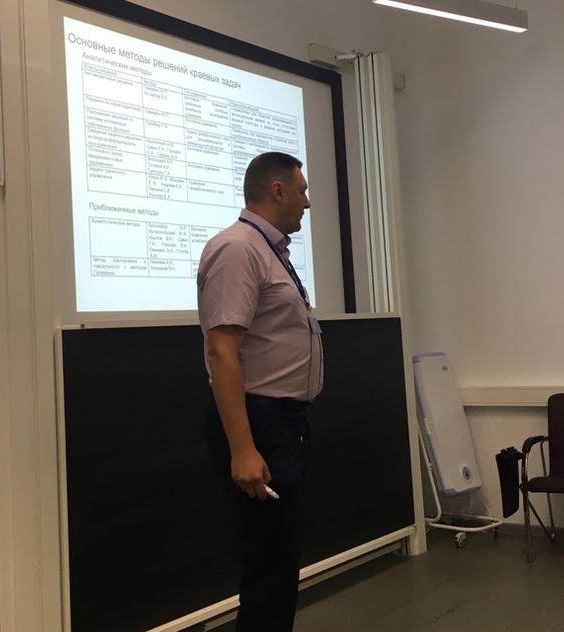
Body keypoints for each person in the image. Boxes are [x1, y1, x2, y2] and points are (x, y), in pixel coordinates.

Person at [197, 152, 324, 632]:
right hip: (260, 425)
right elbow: (222, 353)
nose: (307, 203)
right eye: (302, 191)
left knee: (280, 559)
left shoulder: (269, 250)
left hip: (283, 424)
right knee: (268, 566)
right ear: (277, 191)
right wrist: (244, 449)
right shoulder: (238, 249)